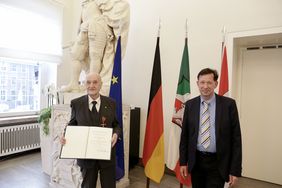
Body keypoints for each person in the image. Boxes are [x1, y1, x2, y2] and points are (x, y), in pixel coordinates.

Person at [179, 68, 242, 188]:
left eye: (209, 82)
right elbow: (185, 136)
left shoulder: (229, 105)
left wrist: (235, 170)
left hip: (218, 163)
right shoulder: (190, 105)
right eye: (202, 82)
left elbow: (236, 139)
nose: (205, 86)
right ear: (197, 83)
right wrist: (183, 162)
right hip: (196, 162)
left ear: (215, 84)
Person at [61, 72, 121, 188]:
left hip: (107, 155)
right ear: (84, 84)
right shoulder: (76, 103)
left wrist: (116, 134)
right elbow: (72, 124)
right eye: (88, 82)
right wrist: (65, 135)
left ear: (100, 84)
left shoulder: (111, 103)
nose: (91, 85)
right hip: (86, 158)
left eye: (95, 82)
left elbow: (116, 125)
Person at [62, 0, 130, 96]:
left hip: (98, 26)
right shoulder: (85, 3)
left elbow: (116, 9)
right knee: (75, 55)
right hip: (85, 27)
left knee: (95, 56)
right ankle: (74, 84)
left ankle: (92, 85)